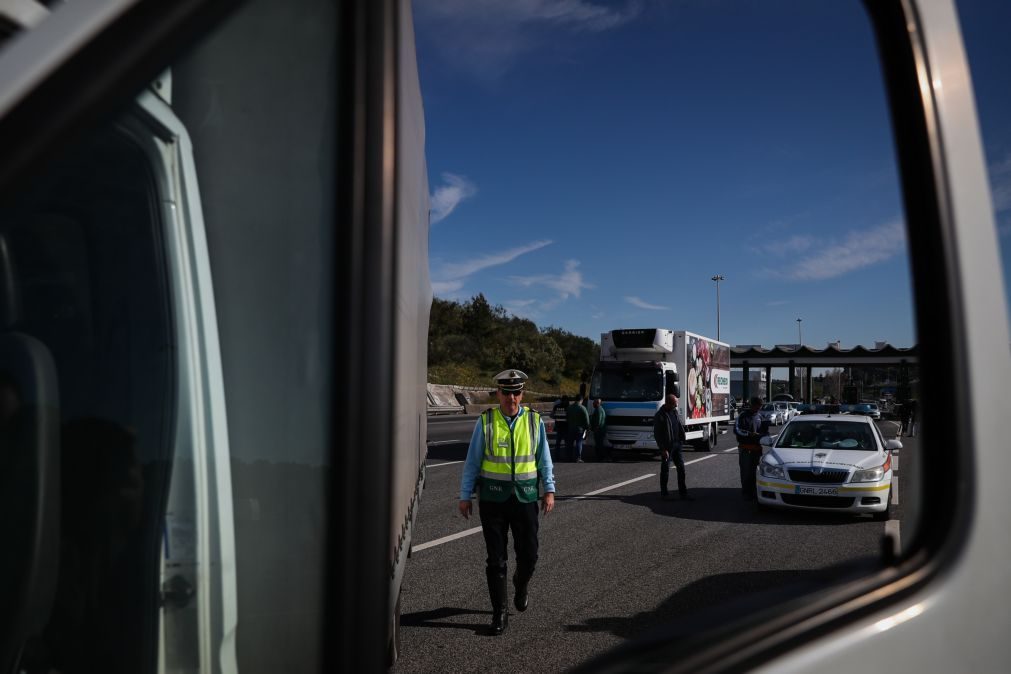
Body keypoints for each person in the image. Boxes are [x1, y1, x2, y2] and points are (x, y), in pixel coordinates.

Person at [458, 369, 556, 636]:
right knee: (495, 559)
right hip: (493, 499)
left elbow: (543, 459)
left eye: (516, 392)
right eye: (506, 392)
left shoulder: (534, 422)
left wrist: (549, 489)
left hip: (525, 498)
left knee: (529, 556)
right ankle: (499, 614)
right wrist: (465, 495)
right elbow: (472, 462)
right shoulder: (486, 421)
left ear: (521, 394)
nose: (511, 398)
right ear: (498, 394)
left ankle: (520, 583)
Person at [653, 393, 691, 500]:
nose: (676, 406)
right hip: (667, 447)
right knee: (665, 470)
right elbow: (657, 434)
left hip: (677, 444)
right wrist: (662, 449)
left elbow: (678, 425)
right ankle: (664, 494)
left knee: (681, 468)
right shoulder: (660, 415)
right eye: (675, 404)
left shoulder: (674, 412)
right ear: (668, 403)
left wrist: (682, 438)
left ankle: (683, 493)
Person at [734, 396, 770, 500]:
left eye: (760, 406)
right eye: (757, 406)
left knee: (756, 471)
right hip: (745, 449)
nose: (758, 408)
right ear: (752, 405)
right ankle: (746, 492)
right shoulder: (742, 416)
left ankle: (755, 491)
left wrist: (762, 436)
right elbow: (736, 430)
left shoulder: (761, 416)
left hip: (757, 449)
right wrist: (750, 434)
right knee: (746, 472)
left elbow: (766, 432)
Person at [566, 394, 590, 462]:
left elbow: (567, 417)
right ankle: (578, 458)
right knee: (579, 443)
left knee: (570, 443)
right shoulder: (582, 408)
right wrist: (587, 428)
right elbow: (587, 420)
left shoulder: (569, 408)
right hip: (580, 429)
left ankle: (569, 457)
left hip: (570, 428)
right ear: (581, 400)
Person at [551, 394, 570, 460]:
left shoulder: (556, 407)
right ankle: (567, 456)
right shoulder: (568, 407)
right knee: (567, 443)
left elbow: (552, 415)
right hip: (566, 427)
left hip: (558, 426)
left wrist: (557, 417)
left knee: (558, 443)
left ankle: (557, 456)